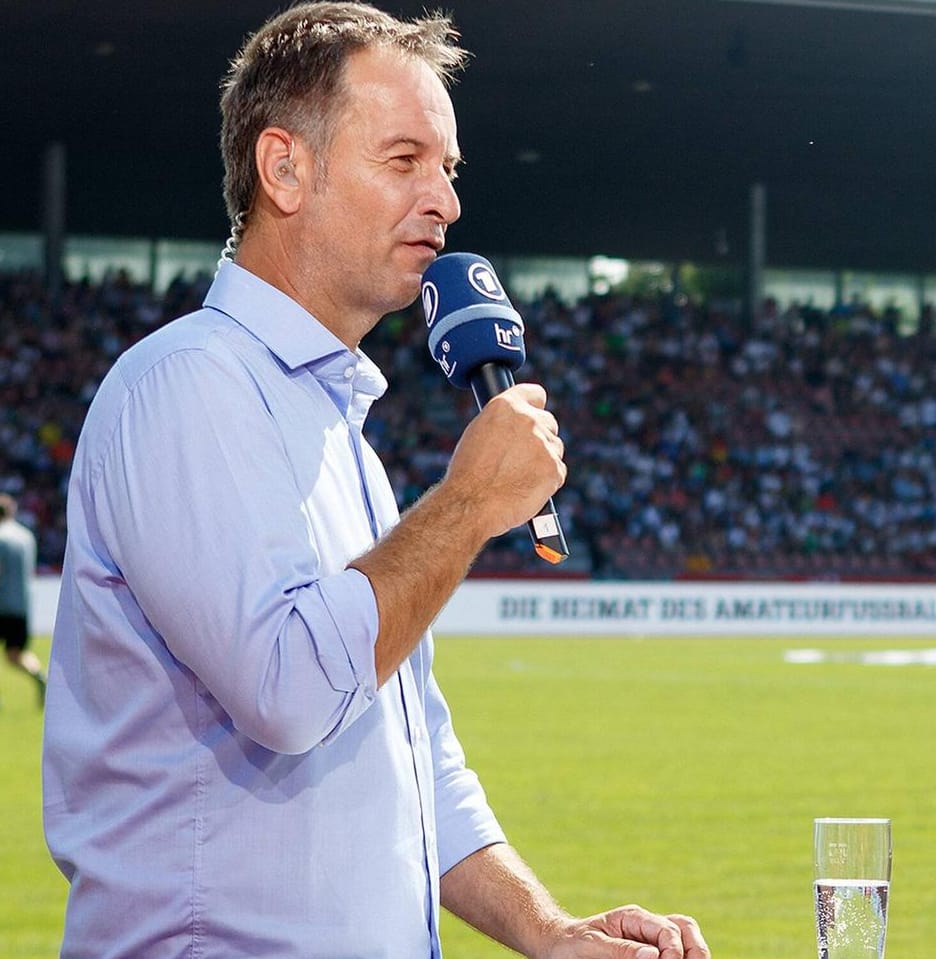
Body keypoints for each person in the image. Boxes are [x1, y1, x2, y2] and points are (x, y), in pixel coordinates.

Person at [42, 5, 709, 958]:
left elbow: (410, 754)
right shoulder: (187, 385)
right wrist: (470, 502)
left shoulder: (337, 429)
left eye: (448, 168)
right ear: (285, 170)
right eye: (404, 160)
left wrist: (549, 930)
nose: (445, 200)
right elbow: (284, 686)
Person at [0, 493, 46, 706]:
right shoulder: (26, 536)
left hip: (2, 603)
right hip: (22, 604)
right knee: (16, 653)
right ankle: (39, 675)